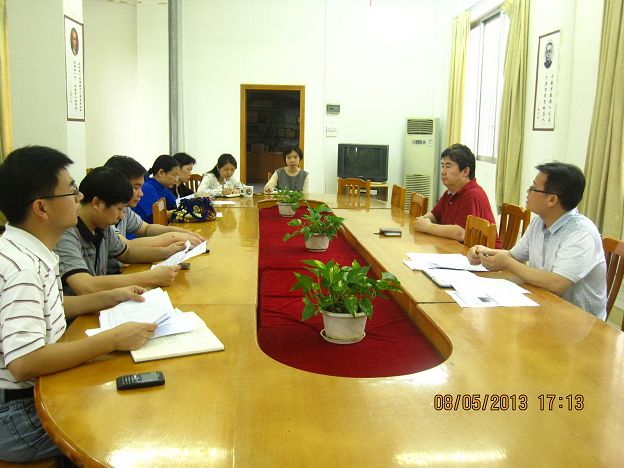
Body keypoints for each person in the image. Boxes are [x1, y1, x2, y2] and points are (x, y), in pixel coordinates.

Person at [0, 146, 156, 463]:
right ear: (42, 208)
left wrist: (112, 296)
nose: (80, 197)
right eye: (72, 192)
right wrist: (112, 339)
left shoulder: (25, 249)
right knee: (134, 416)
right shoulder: (23, 270)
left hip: (33, 394)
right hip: (18, 415)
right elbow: (25, 362)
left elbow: (52, 307)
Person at [467, 162, 607, 320]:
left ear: (552, 199)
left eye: (533, 188)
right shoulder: (539, 222)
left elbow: (557, 283)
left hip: (580, 323)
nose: (528, 191)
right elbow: (514, 255)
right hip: (543, 307)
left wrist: (507, 263)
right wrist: (484, 251)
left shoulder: (581, 234)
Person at [54, 166, 183, 295]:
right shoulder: (65, 233)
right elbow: (85, 286)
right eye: (120, 209)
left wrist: (168, 252)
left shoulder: (102, 226)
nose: (122, 216)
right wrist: (150, 277)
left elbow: (126, 252)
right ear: (97, 203)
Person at [103, 155, 205, 274]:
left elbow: (146, 228)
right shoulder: (105, 215)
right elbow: (127, 247)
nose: (141, 194)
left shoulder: (126, 209)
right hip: (120, 268)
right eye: (136, 187)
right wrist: (173, 238)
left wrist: (181, 233)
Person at [414, 143, 501, 247]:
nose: (443, 172)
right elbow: (435, 215)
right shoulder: (450, 192)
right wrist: (424, 220)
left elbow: (460, 233)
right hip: (457, 249)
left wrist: (428, 227)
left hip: (483, 255)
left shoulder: (473, 195)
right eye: (442, 166)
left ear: (465, 172)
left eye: (448, 166)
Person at [133, 154, 180, 223]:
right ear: (161, 172)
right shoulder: (147, 188)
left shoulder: (162, 187)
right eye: (174, 175)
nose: (176, 180)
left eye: (177, 176)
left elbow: (177, 203)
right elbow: (158, 216)